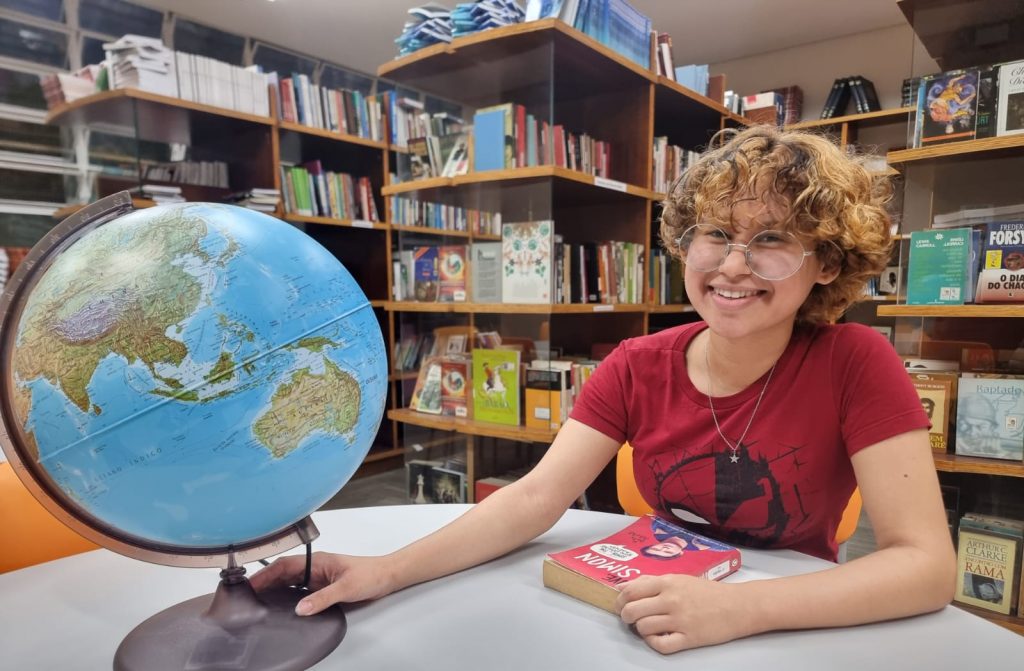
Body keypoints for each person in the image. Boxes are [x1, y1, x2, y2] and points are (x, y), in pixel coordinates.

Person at [252, 125, 956, 654]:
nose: (734, 265)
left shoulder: (857, 361)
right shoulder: (636, 363)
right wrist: (389, 570)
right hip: (648, 620)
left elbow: (925, 567)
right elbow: (534, 497)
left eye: (772, 239)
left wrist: (742, 610)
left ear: (825, 262)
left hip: (793, 625)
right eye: (716, 233)